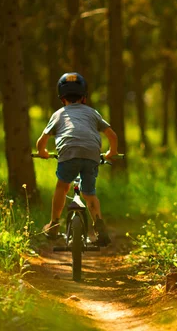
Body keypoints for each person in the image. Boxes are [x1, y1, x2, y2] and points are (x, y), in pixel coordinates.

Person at [36, 72, 118, 246]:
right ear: (84, 98)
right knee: (89, 194)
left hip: (68, 153)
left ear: (62, 98)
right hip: (92, 154)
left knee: (62, 186)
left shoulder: (58, 114)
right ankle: (99, 225)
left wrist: (42, 152)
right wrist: (112, 152)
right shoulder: (93, 113)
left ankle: (54, 224)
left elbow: (41, 141)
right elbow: (112, 135)